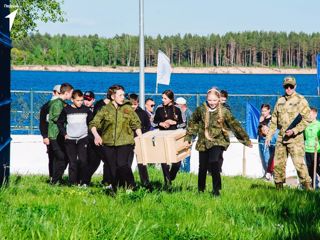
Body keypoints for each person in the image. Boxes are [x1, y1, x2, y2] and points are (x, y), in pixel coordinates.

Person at [185, 88, 252, 197]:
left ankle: (216, 190)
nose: (212, 103)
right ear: (206, 99)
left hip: (218, 140)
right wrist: (189, 136)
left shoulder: (224, 111)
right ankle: (200, 190)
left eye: (215, 100)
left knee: (214, 161)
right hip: (203, 141)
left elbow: (234, 125)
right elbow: (193, 122)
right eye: (210, 100)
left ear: (219, 100)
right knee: (202, 166)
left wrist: (245, 140)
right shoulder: (201, 109)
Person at [89, 85, 142, 192]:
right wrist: (97, 136)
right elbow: (93, 123)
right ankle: (115, 188)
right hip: (108, 143)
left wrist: (141, 139)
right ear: (113, 96)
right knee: (112, 167)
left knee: (122, 164)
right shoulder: (105, 109)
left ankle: (131, 186)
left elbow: (136, 124)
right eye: (120, 95)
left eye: (123, 94)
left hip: (125, 142)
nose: (123, 97)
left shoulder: (128, 108)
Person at [266, 76, 312, 190]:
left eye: (291, 86)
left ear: (295, 86)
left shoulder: (301, 100)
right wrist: (269, 135)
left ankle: (308, 189)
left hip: (295, 139)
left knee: (299, 165)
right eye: (286, 86)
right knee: (278, 165)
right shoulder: (280, 100)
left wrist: (295, 130)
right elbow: (274, 120)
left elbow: (308, 118)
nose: (289, 89)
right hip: (281, 137)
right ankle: (278, 189)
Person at [57, 90, 93, 186]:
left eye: (81, 100)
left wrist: (89, 135)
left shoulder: (86, 110)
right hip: (70, 139)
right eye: (78, 100)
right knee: (72, 162)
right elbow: (59, 123)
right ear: (72, 100)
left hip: (83, 138)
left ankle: (83, 182)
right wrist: (64, 134)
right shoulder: (66, 110)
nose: (80, 102)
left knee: (83, 161)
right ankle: (72, 182)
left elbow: (92, 123)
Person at [153, 90, 183, 186]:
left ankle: (171, 175)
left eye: (165, 98)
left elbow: (184, 123)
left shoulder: (178, 109)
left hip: (174, 137)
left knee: (177, 161)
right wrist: (161, 123)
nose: (162, 100)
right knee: (164, 159)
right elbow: (153, 123)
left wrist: (175, 123)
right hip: (162, 136)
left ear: (171, 99)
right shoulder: (159, 109)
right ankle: (167, 181)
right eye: (162, 98)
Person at [48, 83, 74, 184]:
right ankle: (55, 180)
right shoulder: (58, 104)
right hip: (55, 135)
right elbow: (56, 118)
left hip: (57, 135)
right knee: (61, 158)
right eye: (71, 93)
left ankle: (57, 179)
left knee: (63, 157)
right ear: (67, 93)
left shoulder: (60, 103)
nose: (72, 95)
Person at [128, 93, 152, 189]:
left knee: (142, 163)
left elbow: (147, 126)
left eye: (135, 104)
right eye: (131, 104)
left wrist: (143, 136)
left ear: (138, 103)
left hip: (139, 140)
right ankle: (128, 182)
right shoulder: (125, 112)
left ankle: (145, 182)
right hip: (128, 141)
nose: (133, 106)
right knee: (127, 163)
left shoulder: (142, 113)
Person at [39, 84, 61, 181]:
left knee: (61, 156)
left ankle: (57, 177)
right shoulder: (46, 106)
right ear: (54, 92)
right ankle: (52, 177)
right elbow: (42, 123)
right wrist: (45, 136)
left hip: (61, 135)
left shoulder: (64, 105)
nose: (60, 95)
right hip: (50, 135)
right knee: (52, 156)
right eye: (59, 93)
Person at [258, 104, 278, 180]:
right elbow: (260, 130)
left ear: (269, 110)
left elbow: (272, 130)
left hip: (269, 140)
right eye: (262, 111)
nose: (263, 112)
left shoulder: (272, 119)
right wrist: (260, 122)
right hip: (261, 140)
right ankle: (266, 174)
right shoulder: (261, 119)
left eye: (265, 111)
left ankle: (271, 175)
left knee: (268, 158)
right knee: (263, 158)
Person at [304, 107, 320, 188]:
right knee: (310, 169)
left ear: (315, 115)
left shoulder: (318, 125)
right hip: (307, 150)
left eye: (311, 114)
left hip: (316, 151)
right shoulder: (305, 124)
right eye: (308, 114)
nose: (309, 116)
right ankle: (314, 186)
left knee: (317, 168)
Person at [176, 97, 192, 172]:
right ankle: (180, 171)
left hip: (187, 138)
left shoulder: (189, 113)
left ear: (181, 105)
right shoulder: (180, 113)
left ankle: (186, 172)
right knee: (179, 156)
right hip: (180, 138)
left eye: (176, 104)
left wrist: (189, 139)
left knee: (186, 157)